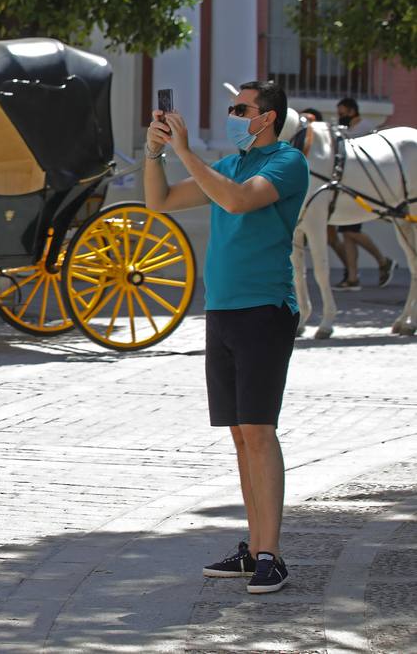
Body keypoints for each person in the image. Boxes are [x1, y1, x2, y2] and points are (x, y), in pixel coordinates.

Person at [144, 80, 309, 595]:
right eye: (232, 108)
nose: (234, 115)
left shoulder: (286, 163)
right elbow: (161, 201)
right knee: (240, 435)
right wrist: (155, 153)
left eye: (242, 109)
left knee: (259, 432)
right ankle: (254, 545)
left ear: (268, 116)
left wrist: (186, 150)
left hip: (265, 310)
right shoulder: (230, 166)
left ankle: (271, 554)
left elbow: (238, 203)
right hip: (223, 311)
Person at [327, 97, 393, 290]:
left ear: (352, 111)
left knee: (350, 231)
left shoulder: (366, 127)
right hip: (347, 185)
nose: (340, 117)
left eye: (342, 113)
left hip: (361, 186)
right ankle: (353, 278)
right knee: (348, 233)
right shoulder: (344, 130)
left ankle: (383, 260)